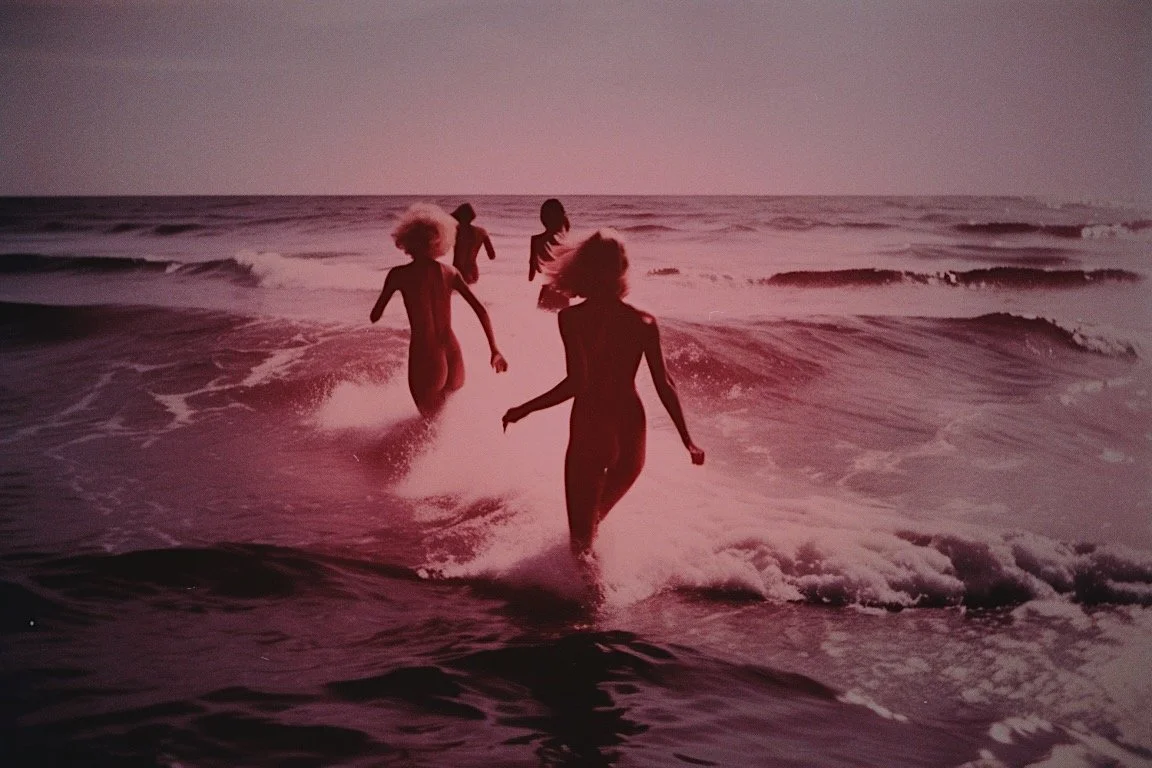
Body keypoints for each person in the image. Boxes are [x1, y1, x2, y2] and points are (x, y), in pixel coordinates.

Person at [502, 230, 704, 556]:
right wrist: (687, 440)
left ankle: (592, 601)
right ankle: (606, 597)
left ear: (583, 269)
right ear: (622, 268)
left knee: (580, 541)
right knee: (593, 523)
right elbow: (664, 383)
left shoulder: (571, 318)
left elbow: (576, 383)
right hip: (630, 426)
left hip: (591, 424)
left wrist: (526, 408)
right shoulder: (644, 321)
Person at [370, 203, 508, 417]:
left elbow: (375, 315)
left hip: (427, 356)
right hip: (453, 353)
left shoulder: (399, 274)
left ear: (407, 239)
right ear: (440, 239)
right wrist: (494, 349)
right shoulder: (450, 272)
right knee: (447, 421)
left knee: (429, 425)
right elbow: (481, 310)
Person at [529, 198, 571, 311]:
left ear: (543, 218)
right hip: (563, 292)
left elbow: (531, 275)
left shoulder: (536, 240)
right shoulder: (568, 242)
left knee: (541, 325)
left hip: (546, 291)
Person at [450, 203, 496, 285]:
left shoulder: (455, 231)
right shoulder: (482, 232)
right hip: (473, 273)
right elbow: (492, 256)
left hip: (458, 273)